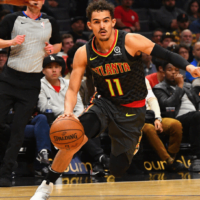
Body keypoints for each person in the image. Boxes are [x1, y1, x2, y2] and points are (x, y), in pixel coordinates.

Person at [31, 1, 200, 199]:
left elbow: (165, 53)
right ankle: (46, 185)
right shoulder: (83, 52)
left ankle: (132, 142)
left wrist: (189, 68)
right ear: (89, 25)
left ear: (113, 22)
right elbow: (73, 88)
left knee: (117, 169)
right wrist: (68, 111)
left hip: (132, 111)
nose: (101, 26)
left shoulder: (130, 41)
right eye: (96, 22)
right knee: (73, 138)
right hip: (104, 104)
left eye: (105, 21)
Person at [0, 0, 61, 187]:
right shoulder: (12, 18)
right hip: (9, 79)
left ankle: (6, 172)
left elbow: (58, 44)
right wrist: (11, 42)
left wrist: (53, 50)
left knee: (18, 130)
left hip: (31, 84)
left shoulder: (50, 21)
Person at [38, 54, 109, 176]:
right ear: (43, 70)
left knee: (90, 122)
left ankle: (97, 163)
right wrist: (67, 113)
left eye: (56, 66)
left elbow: (79, 106)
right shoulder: (39, 84)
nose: (54, 70)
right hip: (54, 121)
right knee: (78, 129)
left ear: (61, 69)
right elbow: (44, 106)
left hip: (72, 119)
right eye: (50, 67)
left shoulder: (69, 82)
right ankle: (100, 157)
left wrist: (73, 117)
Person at [153, 62, 200, 172]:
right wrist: (179, 86)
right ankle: (197, 157)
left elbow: (198, 102)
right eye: (170, 70)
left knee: (198, 115)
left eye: (176, 70)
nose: (174, 72)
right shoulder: (159, 88)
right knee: (197, 116)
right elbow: (168, 106)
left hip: (195, 116)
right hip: (176, 119)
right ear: (163, 72)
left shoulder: (188, 86)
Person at [142, 79, 184, 171]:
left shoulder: (143, 79)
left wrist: (157, 118)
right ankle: (168, 160)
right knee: (149, 128)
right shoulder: (122, 82)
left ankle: (172, 157)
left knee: (175, 124)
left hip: (151, 115)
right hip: (137, 119)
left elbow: (152, 100)